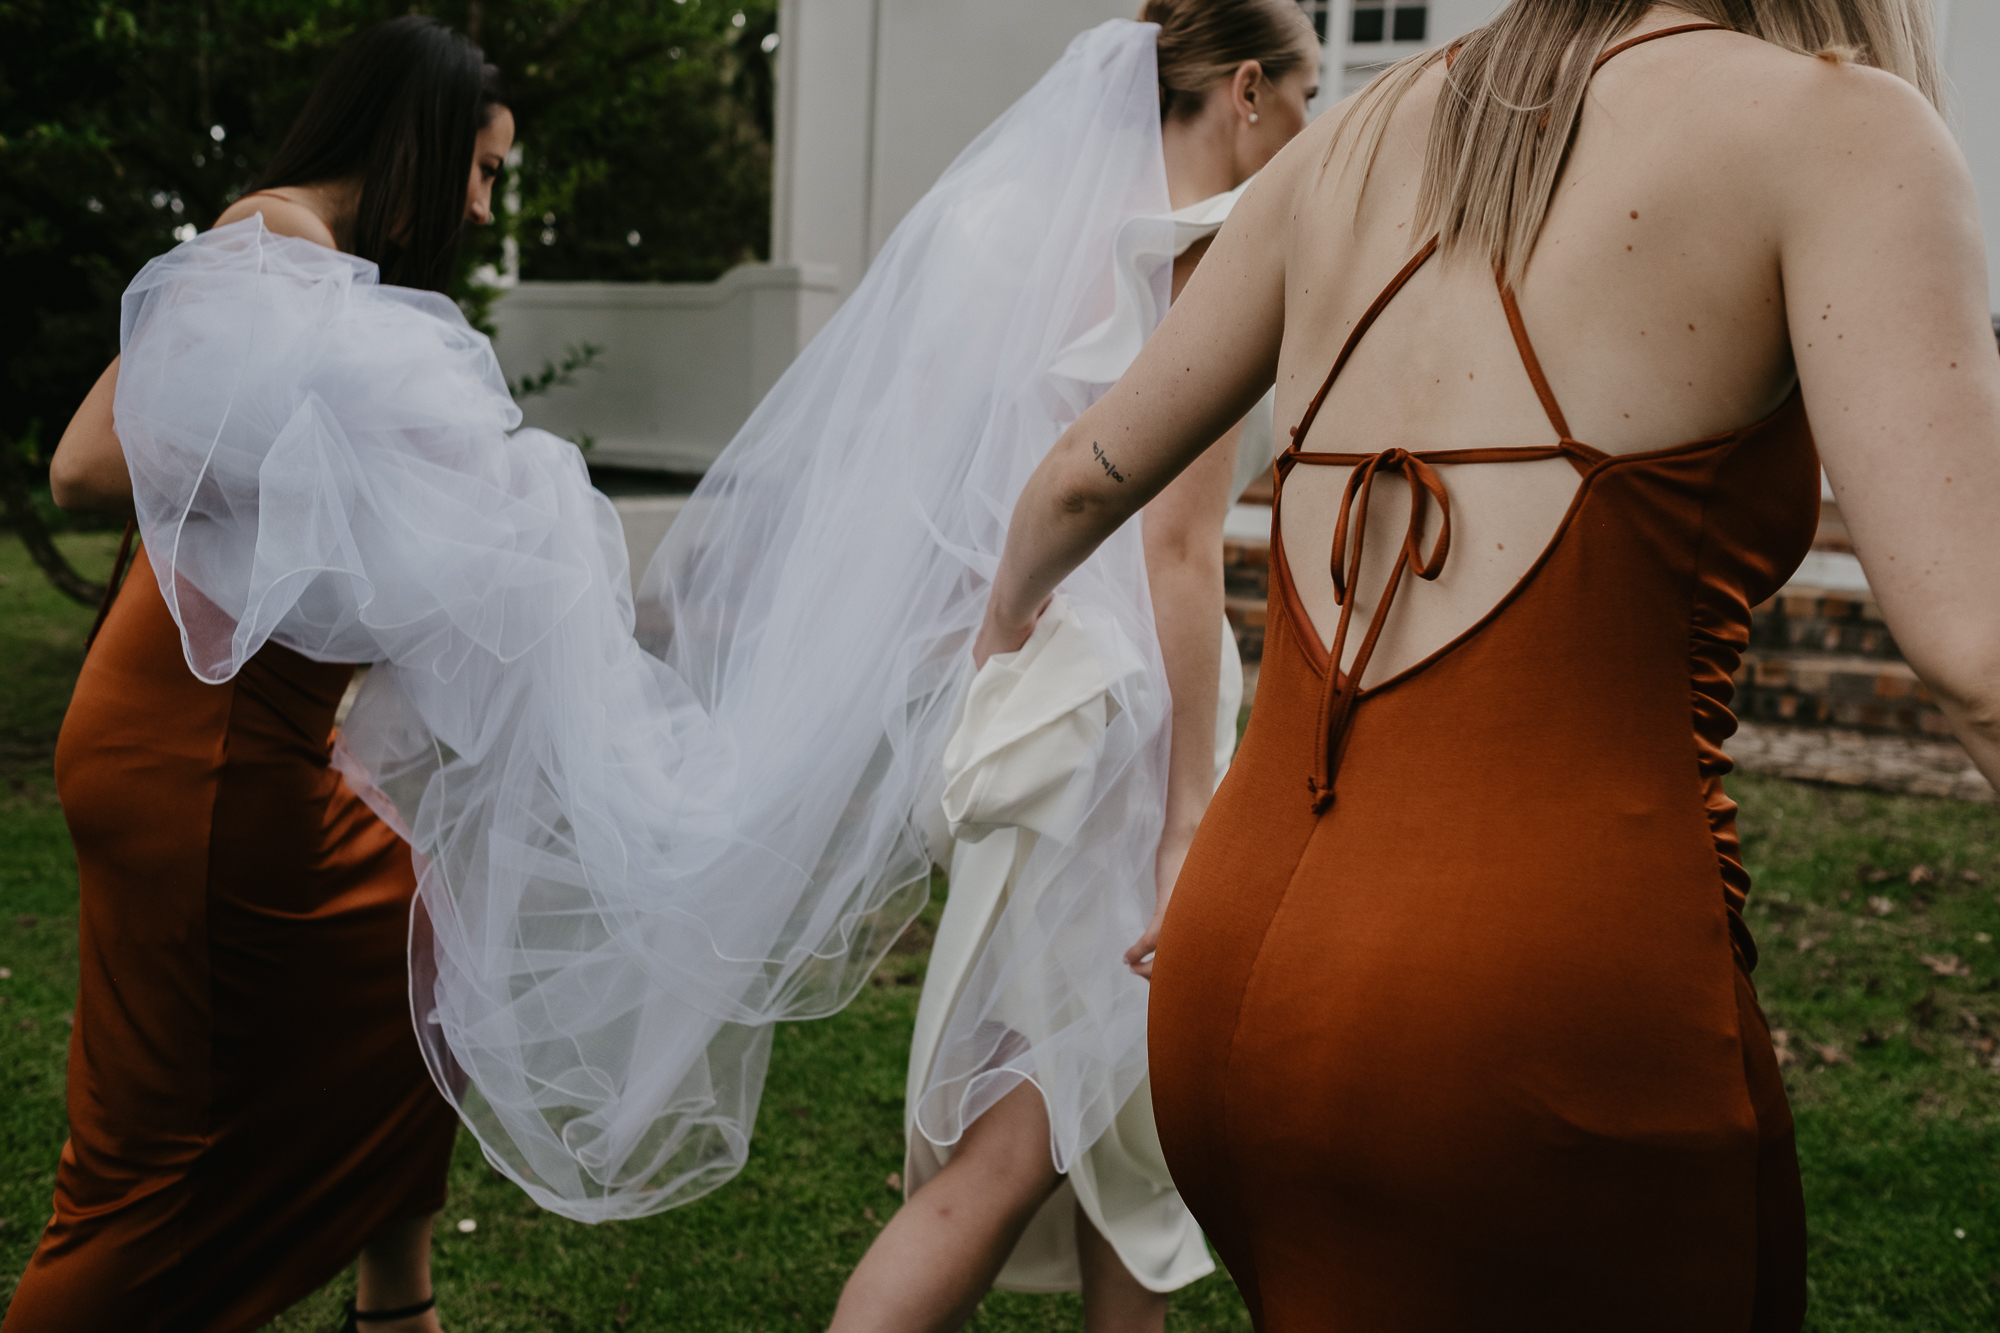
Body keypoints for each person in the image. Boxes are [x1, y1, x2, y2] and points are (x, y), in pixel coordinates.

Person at [972, 0, 1996, 1326]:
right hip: (1541, 1003)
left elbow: (1078, 480)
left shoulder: (1345, 141)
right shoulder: (1835, 128)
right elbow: (1976, 656)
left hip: (1230, 979)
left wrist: (1004, 635)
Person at [8, 18, 511, 1333]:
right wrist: (346, 468)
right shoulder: (275, 245)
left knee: (428, 955)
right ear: (417, 138)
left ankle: (395, 1304)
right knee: (150, 1157)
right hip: (198, 752)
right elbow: (84, 467)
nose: (481, 205)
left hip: (221, 740)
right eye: (480, 169)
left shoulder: (304, 265)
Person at [825, 4, 1317, 1330]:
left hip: (1045, 702)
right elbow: (1177, 546)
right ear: (1249, 91)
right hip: (1131, 731)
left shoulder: (1030, 237)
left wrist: (992, 651)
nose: (1312, 126)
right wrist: (1187, 818)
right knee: (1016, 1143)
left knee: (1122, 1123)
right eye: (1308, 93)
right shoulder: (1205, 258)